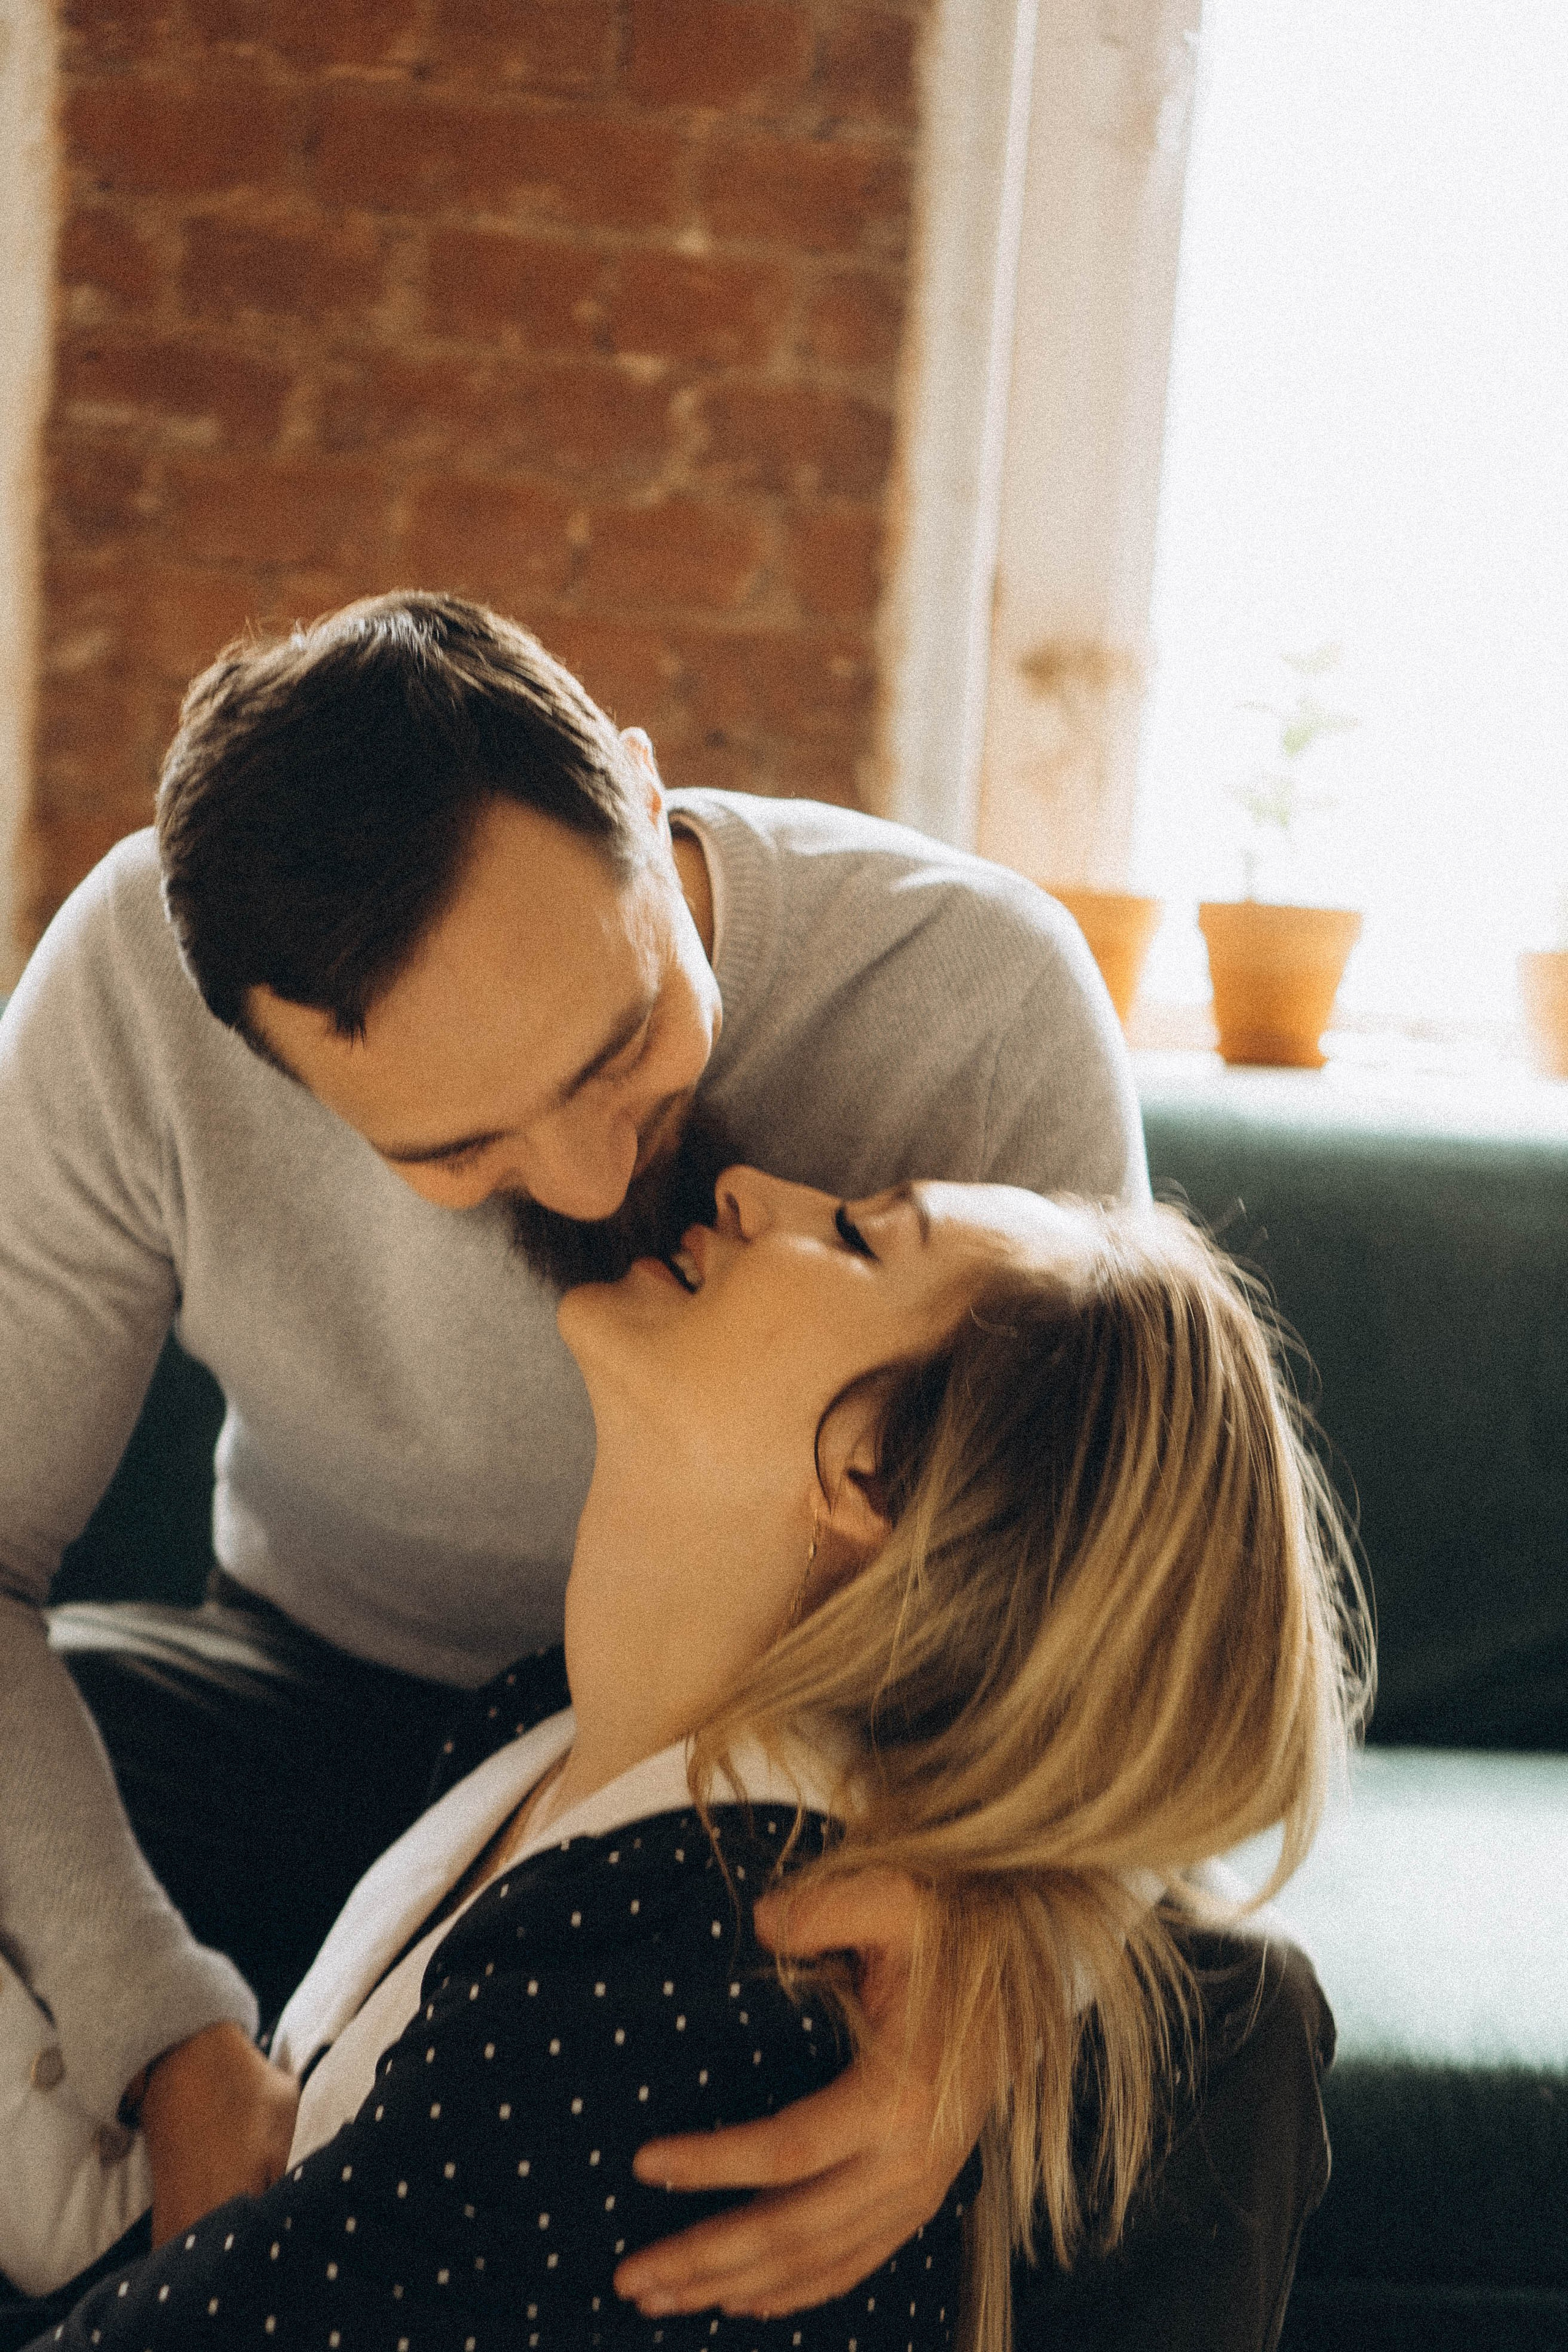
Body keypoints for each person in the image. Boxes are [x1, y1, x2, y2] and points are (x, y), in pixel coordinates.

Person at [0, 592, 1316, 2343]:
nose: (578, 1172)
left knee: (1227, 2026)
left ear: (636, 783)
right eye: (456, 1146)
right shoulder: (136, 992)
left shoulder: (978, 991)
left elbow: (1122, 1576)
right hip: (311, 1692)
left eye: (622, 1040)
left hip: (817, 1771)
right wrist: (159, 2029)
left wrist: (979, 1965)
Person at [11, 1163, 1370, 2352]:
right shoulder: (539, 1736)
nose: (746, 1183)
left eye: (853, 1235)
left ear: (869, 1478)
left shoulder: (687, 1955)